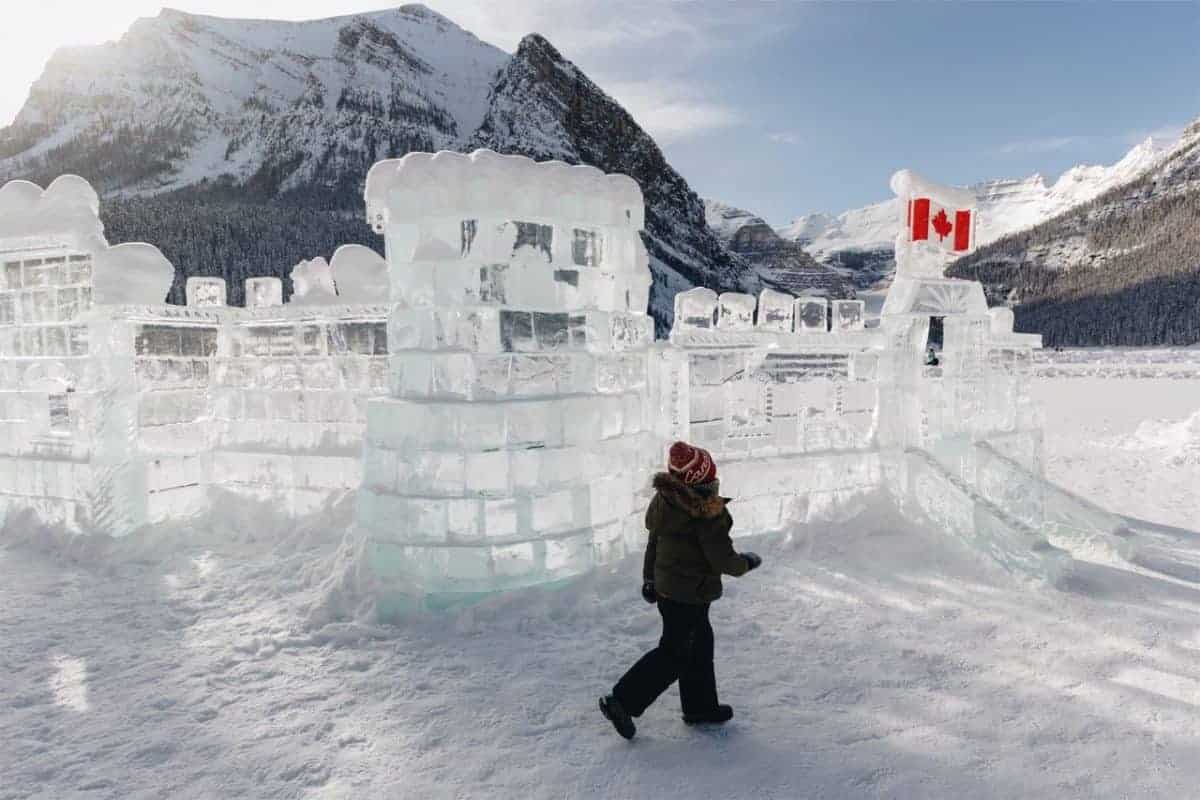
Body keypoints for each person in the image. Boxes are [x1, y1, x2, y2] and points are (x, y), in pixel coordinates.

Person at [599, 441, 762, 740]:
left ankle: (700, 707)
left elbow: (654, 544)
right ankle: (622, 701)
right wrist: (746, 563)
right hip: (690, 595)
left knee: (699, 645)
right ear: (705, 477)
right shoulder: (707, 515)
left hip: (668, 591)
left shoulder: (665, 500)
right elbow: (722, 558)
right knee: (674, 653)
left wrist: (649, 579)